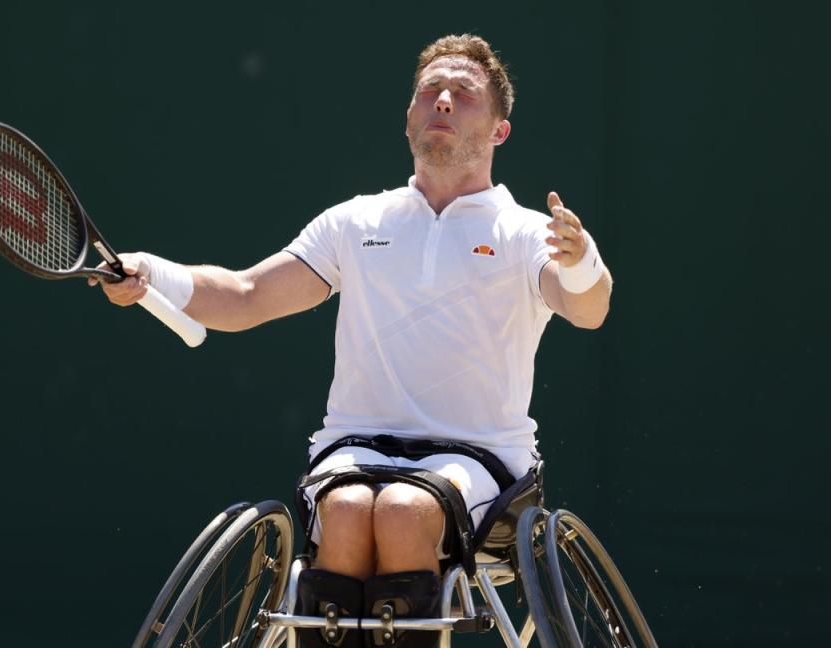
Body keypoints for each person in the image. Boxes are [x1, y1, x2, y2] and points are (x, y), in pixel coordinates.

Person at [93, 34, 612, 648]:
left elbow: (588, 308)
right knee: (343, 511)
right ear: (409, 118)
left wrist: (581, 263)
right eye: (429, 92)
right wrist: (153, 272)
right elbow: (244, 295)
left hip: (478, 461)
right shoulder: (357, 221)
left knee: (401, 510)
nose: (443, 100)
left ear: (499, 129)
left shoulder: (526, 234)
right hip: (354, 448)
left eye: (464, 94)